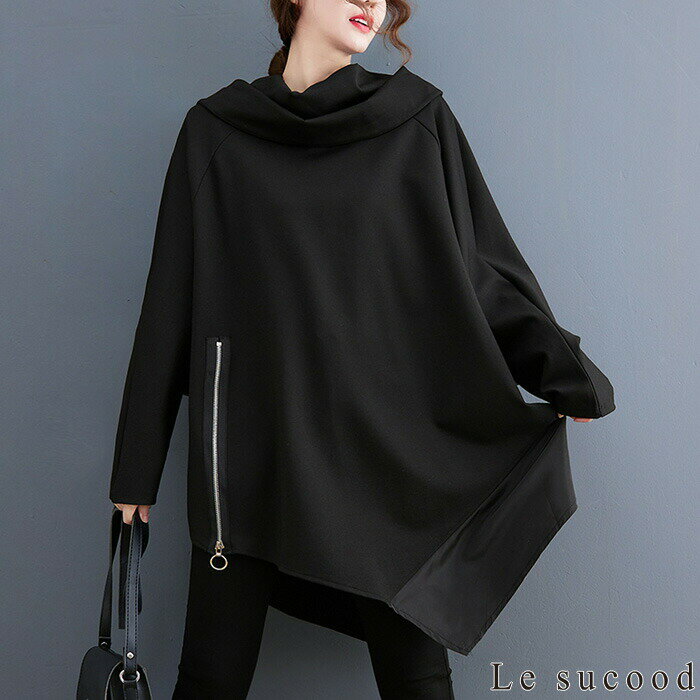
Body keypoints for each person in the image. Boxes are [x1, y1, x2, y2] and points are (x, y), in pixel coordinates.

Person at [109, 0, 616, 697]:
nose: (370, 2)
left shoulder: (416, 121)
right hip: (253, 464)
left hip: (386, 470)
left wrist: (567, 375)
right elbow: (169, 304)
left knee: (417, 682)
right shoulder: (215, 133)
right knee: (209, 681)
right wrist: (135, 474)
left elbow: (481, 274)